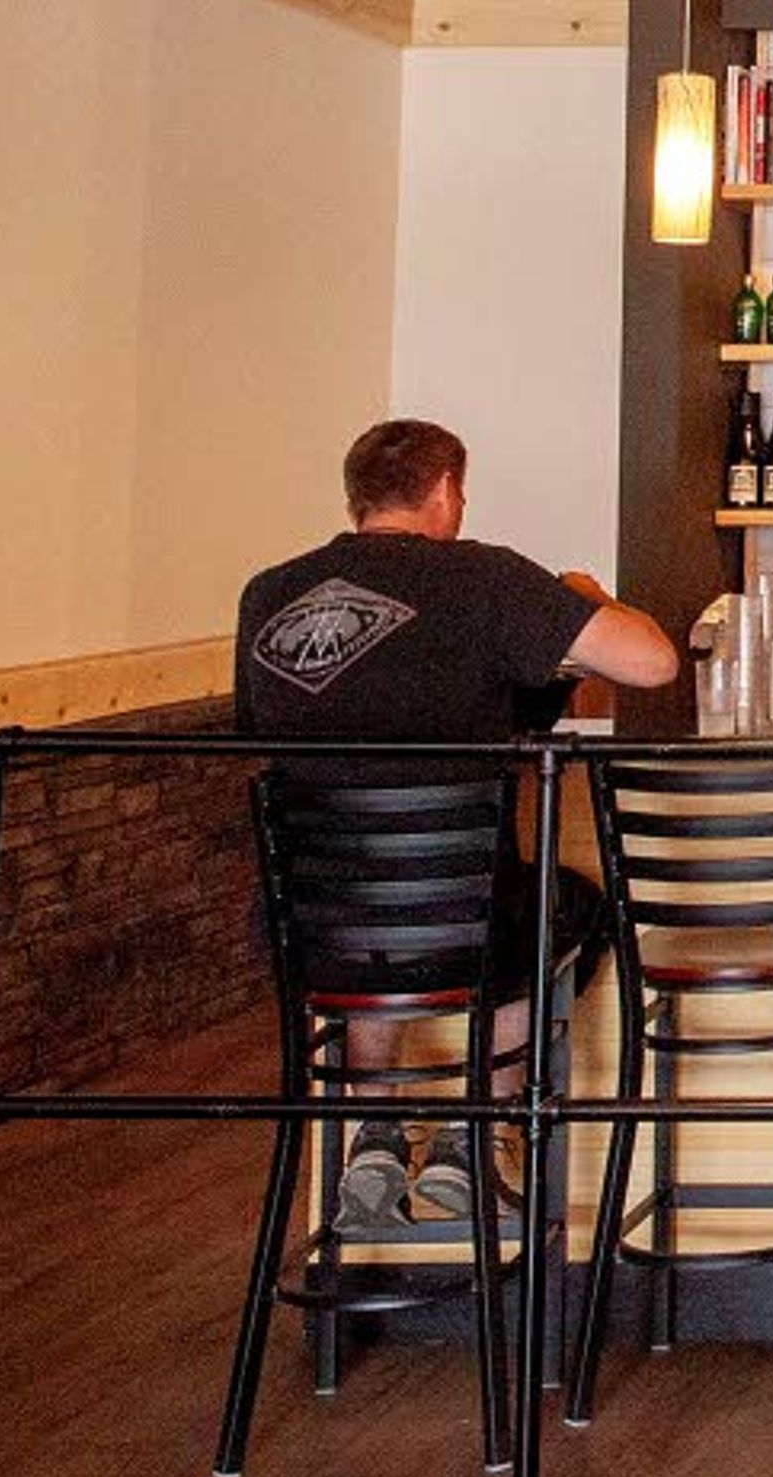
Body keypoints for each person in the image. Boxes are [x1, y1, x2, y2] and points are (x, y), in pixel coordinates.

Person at [236, 418, 679, 1226]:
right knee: (555, 908)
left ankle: (371, 1131)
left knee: (378, 904)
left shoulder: (267, 594)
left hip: (309, 930)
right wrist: (587, 599)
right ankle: (481, 1136)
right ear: (445, 491)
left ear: (357, 498)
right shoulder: (482, 580)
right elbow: (652, 660)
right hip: (466, 930)